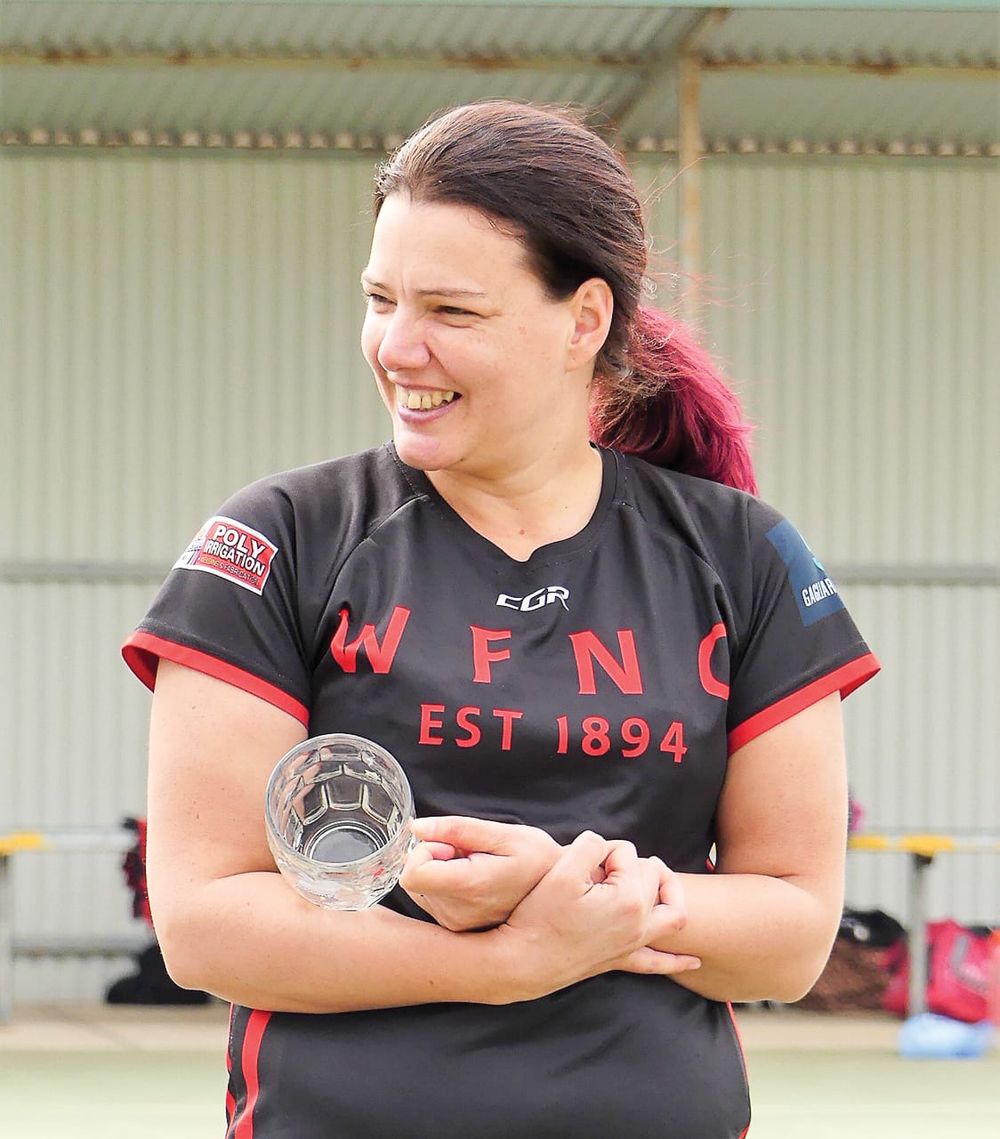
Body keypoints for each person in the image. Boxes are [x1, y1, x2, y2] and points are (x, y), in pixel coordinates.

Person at [122, 100, 880, 1139]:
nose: (397, 346)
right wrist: (506, 963)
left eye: (451, 311)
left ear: (584, 319)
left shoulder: (743, 556)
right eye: (379, 298)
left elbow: (791, 934)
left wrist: (587, 896)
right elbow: (206, 923)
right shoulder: (282, 540)